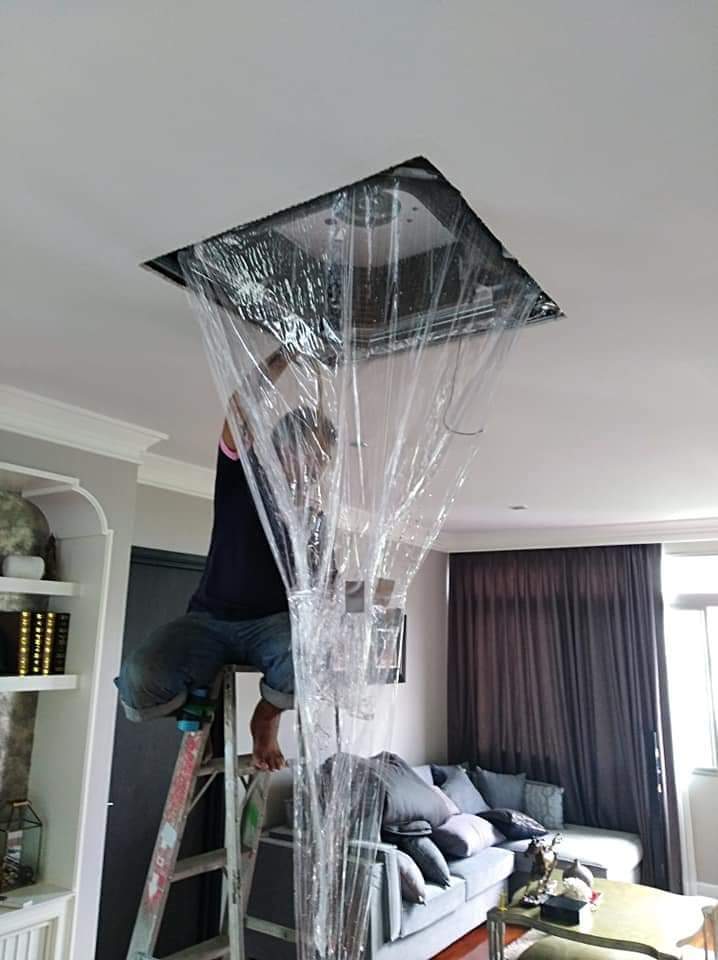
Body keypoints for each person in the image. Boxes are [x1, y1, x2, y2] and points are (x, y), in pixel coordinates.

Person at [116, 346, 336, 771]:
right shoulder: (245, 476)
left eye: (323, 461)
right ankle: (198, 706)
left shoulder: (315, 519)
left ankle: (265, 718)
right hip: (208, 620)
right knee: (140, 678)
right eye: (311, 453)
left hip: (273, 626)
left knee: (316, 659)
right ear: (282, 446)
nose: (317, 467)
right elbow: (239, 410)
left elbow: (325, 585)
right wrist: (286, 354)